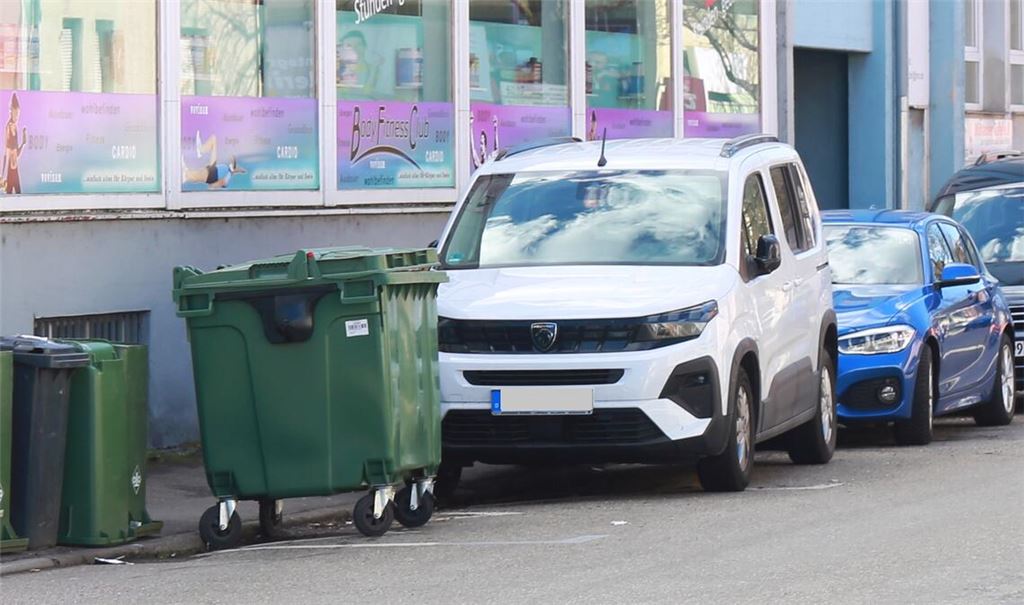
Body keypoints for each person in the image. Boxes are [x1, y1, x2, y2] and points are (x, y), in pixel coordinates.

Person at [3, 92, 27, 194]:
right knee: (14, 192)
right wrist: (3, 173)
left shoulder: (14, 127)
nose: (17, 116)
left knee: (16, 192)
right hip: (11, 166)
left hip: (13, 166)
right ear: (11, 112)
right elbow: (9, 151)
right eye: (15, 113)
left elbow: (15, 152)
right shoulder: (10, 127)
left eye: (18, 114)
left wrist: (23, 143)